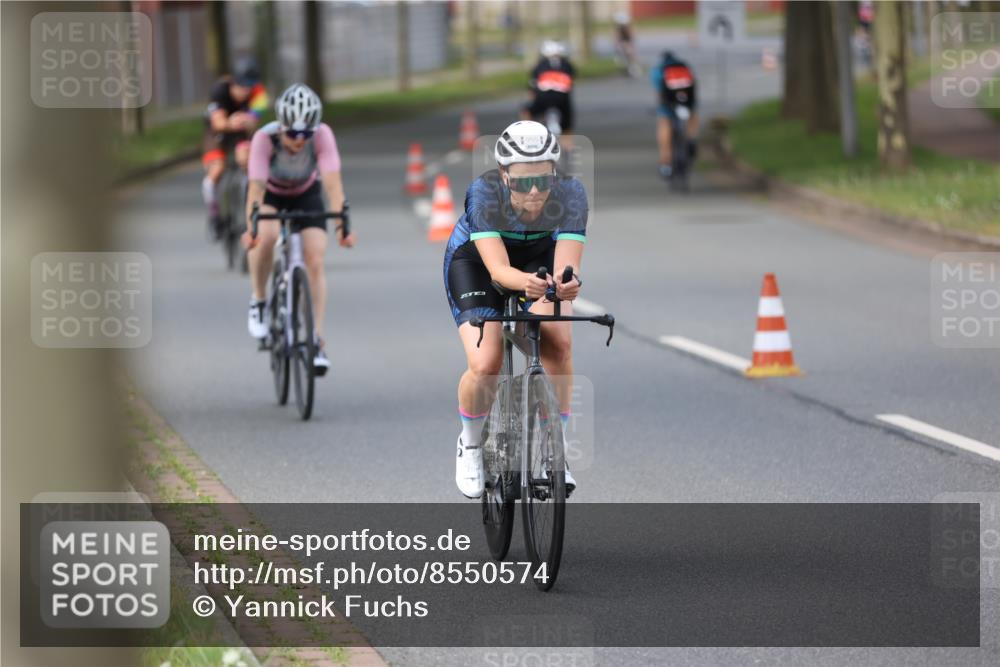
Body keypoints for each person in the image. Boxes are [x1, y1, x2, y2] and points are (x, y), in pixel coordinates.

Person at [443, 120, 586, 499]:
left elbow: (565, 268)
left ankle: (556, 453)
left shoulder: (571, 193)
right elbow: (499, 271)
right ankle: (470, 444)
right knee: (486, 363)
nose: (536, 191)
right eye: (524, 183)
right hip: (479, 266)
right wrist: (528, 284)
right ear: (504, 176)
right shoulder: (483, 193)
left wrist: (565, 285)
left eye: (544, 180)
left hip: (537, 262)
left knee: (558, 344)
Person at [243, 83, 354, 374]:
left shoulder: (322, 136)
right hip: (271, 193)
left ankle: (316, 340)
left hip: (306, 192)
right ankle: (259, 300)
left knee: (315, 258)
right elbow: (255, 190)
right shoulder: (264, 139)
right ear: (281, 126)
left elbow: (332, 184)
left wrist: (342, 225)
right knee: (265, 238)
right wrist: (250, 227)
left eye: (306, 134)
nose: (300, 140)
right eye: (293, 133)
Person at [202, 56, 268, 238]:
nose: (245, 91)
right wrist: (231, 122)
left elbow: (256, 117)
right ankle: (214, 216)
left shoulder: (258, 92)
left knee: (248, 160)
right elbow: (218, 122)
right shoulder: (219, 90)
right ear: (233, 81)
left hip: (241, 130)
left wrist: (249, 121)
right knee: (217, 169)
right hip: (218, 131)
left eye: (249, 87)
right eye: (241, 86)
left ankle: (251, 202)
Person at [650, 50, 699, 179]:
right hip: (687, 100)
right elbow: (693, 86)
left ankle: (666, 161)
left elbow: (659, 92)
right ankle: (691, 139)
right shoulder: (684, 66)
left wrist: (660, 107)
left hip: (668, 102)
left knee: (664, 122)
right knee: (692, 115)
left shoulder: (658, 70)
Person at [522, 41, 576, 148]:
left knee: (526, 112)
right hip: (562, 99)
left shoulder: (539, 65)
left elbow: (533, 86)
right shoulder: (567, 65)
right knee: (567, 122)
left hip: (543, 97)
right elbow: (570, 84)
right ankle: (568, 145)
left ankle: (528, 139)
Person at [614, 11, 639, 78]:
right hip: (622, 43)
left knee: (630, 53)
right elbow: (617, 38)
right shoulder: (618, 29)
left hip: (627, 43)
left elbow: (632, 36)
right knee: (625, 53)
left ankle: (633, 67)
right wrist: (617, 46)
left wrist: (631, 44)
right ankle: (627, 66)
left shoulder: (628, 28)